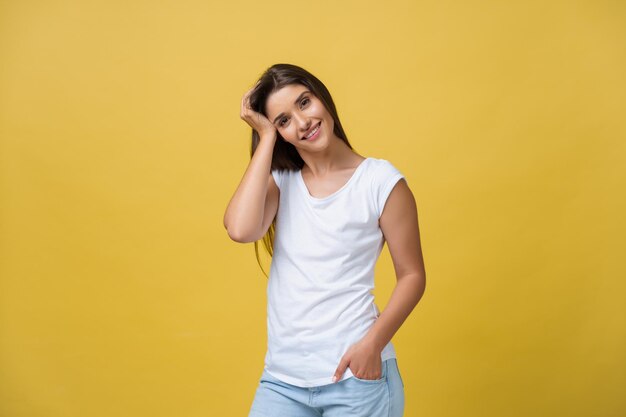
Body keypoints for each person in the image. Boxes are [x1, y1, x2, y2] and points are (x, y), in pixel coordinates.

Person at [223, 63, 426, 417]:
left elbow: (412, 275)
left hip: (356, 380)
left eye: (304, 102)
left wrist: (371, 346)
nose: (302, 122)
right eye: (283, 120)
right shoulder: (281, 182)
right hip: (282, 382)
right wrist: (266, 140)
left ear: (322, 98)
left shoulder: (380, 182)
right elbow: (240, 230)